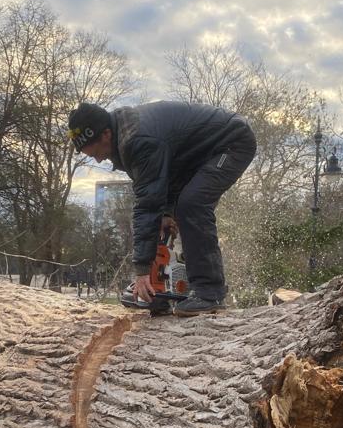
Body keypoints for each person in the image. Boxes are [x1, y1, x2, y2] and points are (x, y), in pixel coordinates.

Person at [68, 100, 256, 316]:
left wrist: (141, 271)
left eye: (95, 152)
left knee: (192, 205)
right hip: (193, 158)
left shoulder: (137, 139)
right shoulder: (125, 136)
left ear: (105, 134)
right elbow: (162, 182)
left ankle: (209, 292)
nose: (98, 159)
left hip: (232, 142)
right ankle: (163, 287)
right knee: (170, 216)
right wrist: (166, 214)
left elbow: (147, 205)